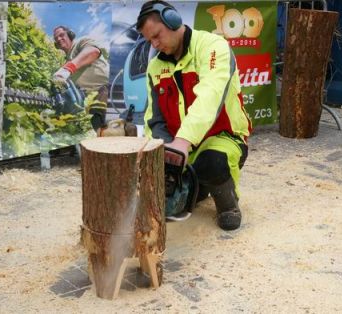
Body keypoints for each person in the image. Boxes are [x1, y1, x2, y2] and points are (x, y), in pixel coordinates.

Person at [136, 0, 252, 230]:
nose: (155, 44)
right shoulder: (155, 67)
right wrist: (163, 151)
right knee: (170, 187)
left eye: (157, 36)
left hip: (222, 136)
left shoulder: (213, 47)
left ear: (173, 20)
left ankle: (228, 203)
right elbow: (154, 118)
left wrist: (182, 141)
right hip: (181, 144)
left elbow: (210, 95)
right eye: (150, 41)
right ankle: (196, 186)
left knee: (212, 163)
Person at [53, 25, 108, 132]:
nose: (59, 39)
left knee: (96, 131)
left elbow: (93, 52)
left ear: (70, 34)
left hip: (102, 92)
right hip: (86, 102)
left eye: (61, 35)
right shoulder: (65, 61)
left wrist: (68, 69)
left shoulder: (81, 42)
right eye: (56, 38)